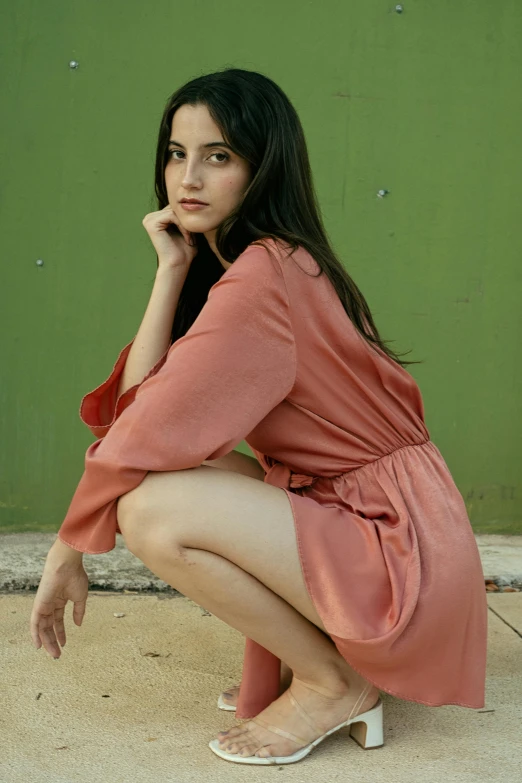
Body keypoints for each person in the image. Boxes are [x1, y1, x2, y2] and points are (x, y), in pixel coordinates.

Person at [29, 68, 487, 766]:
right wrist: (170, 271)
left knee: (151, 510)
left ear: (262, 166)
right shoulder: (260, 262)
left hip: (401, 550)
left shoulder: (265, 277)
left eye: (219, 156)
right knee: (178, 466)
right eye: (177, 153)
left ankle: (335, 681)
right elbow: (139, 412)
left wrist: (67, 549)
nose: (189, 177)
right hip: (383, 520)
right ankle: (328, 655)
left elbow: (142, 432)